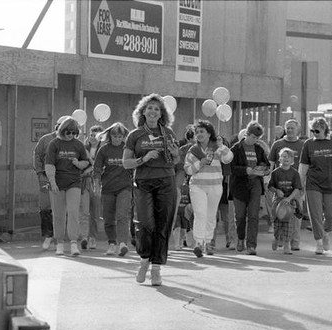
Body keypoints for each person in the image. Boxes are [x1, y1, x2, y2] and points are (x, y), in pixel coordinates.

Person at [123, 93, 180, 286]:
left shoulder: (168, 133)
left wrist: (174, 154)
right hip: (143, 182)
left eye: (157, 108)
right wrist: (144, 159)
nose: (153, 111)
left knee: (163, 224)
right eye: (150, 108)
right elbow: (126, 163)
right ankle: (144, 260)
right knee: (145, 223)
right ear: (143, 112)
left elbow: (176, 160)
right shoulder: (135, 135)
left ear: (162, 113)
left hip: (166, 180)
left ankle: (156, 268)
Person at [299, 117, 332, 255]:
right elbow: (303, 166)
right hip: (313, 183)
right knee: (315, 215)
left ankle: (325, 233)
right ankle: (319, 242)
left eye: (317, 130)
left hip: (331, 183)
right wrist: (300, 183)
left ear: (325, 130)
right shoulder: (309, 144)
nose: (314, 133)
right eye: (312, 130)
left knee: (331, 217)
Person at [184, 120, 233, 257]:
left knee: (211, 216)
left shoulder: (217, 147)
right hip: (197, 186)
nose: (199, 134)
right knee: (200, 214)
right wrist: (200, 163)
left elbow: (228, 158)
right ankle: (198, 243)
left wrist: (222, 146)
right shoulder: (193, 150)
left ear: (209, 133)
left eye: (202, 132)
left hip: (215, 186)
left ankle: (208, 241)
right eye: (197, 132)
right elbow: (188, 169)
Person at [45, 117, 90, 256]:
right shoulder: (54, 144)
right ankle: (59, 243)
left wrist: (78, 164)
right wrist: (52, 182)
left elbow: (86, 162)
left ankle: (73, 243)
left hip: (74, 182)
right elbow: (49, 164)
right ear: (62, 130)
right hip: (57, 183)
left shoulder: (78, 145)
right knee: (58, 214)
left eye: (74, 132)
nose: (71, 135)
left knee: (73, 212)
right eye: (68, 132)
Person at [230, 121, 270, 255]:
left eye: (258, 138)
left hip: (255, 184)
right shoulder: (236, 148)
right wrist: (245, 170)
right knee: (240, 216)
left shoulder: (259, 149)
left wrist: (263, 168)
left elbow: (266, 164)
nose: (255, 140)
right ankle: (240, 238)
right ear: (247, 134)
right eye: (253, 137)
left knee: (253, 215)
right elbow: (231, 167)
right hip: (240, 185)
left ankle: (251, 245)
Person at [93, 122, 133, 256]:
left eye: (120, 136)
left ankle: (122, 243)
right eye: (114, 136)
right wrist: (96, 184)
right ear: (110, 136)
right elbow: (97, 169)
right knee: (108, 218)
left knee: (122, 215)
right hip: (108, 188)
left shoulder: (128, 149)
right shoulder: (104, 150)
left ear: (123, 136)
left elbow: (135, 165)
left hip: (125, 187)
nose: (117, 138)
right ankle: (111, 243)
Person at [268, 118, 305, 250]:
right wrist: (269, 182)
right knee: (280, 215)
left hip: (297, 186)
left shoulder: (303, 145)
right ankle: (280, 238)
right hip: (280, 187)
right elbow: (271, 163)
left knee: (295, 216)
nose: (289, 130)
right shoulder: (277, 144)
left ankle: (294, 242)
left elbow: (307, 165)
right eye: (287, 128)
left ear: (298, 130)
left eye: (292, 128)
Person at [33, 115, 69, 250]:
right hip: (46, 178)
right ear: (57, 126)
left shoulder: (70, 141)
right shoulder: (45, 139)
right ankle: (48, 236)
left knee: (61, 208)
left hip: (63, 179)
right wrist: (40, 173)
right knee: (45, 207)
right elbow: (37, 156)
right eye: (62, 127)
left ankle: (59, 238)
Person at [79, 125, 104, 250]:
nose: (93, 138)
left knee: (95, 212)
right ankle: (84, 237)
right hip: (85, 182)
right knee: (84, 211)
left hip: (97, 182)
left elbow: (101, 167)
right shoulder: (83, 147)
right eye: (92, 135)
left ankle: (92, 237)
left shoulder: (104, 149)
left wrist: (89, 165)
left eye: (96, 136)